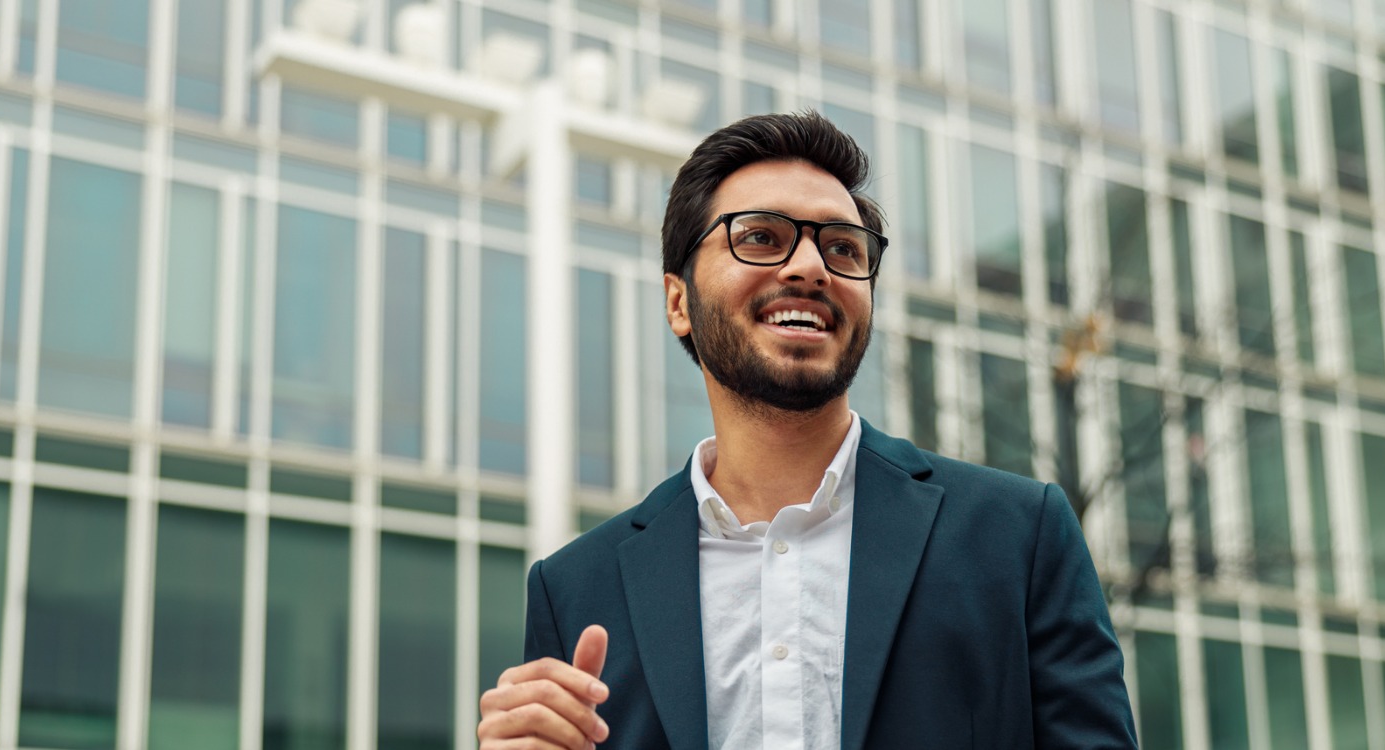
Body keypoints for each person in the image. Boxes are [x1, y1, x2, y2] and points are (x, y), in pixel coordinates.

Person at [477, 112, 1136, 750]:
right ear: (678, 302)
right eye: (760, 237)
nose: (811, 267)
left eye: (843, 248)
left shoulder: (1019, 537)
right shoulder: (576, 589)